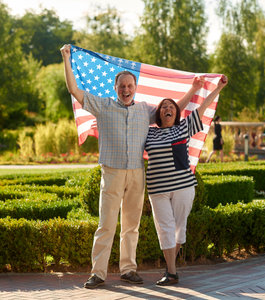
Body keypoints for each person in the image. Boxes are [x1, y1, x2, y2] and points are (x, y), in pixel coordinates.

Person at [60, 44, 204, 289]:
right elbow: (73, 89)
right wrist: (66, 58)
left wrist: (194, 88)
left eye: (130, 86)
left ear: (135, 88)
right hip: (112, 172)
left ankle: (128, 269)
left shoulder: (145, 110)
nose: (126, 89)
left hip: (137, 173)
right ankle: (99, 273)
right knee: (106, 224)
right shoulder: (102, 106)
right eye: (122, 86)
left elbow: (173, 107)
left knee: (131, 225)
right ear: (115, 88)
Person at [145, 75, 228, 285]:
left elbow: (202, 108)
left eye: (171, 106)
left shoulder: (184, 128)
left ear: (176, 112)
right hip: (158, 190)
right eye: (163, 106)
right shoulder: (148, 134)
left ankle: (170, 268)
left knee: (179, 228)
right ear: (159, 113)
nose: (167, 108)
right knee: (164, 228)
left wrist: (218, 88)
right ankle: (171, 271)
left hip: (183, 187)